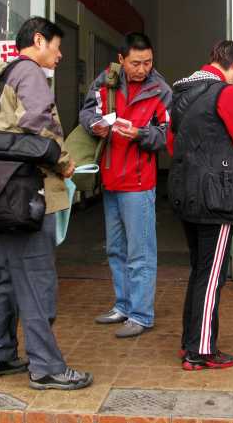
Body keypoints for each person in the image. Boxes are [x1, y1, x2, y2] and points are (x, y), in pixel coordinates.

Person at [0, 17, 93, 391]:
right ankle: (46, 367)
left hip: (3, 195)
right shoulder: (31, 73)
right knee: (37, 282)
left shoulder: (2, 75)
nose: (60, 54)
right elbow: (40, 128)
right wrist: (64, 163)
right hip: (29, 194)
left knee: (7, 277)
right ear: (39, 40)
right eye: (57, 46)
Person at [168, 40, 233, 371]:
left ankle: (190, 341)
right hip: (216, 198)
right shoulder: (226, 94)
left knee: (200, 269)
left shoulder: (181, 93)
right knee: (212, 276)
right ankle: (201, 350)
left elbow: (171, 143)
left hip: (184, 192)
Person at [79, 32, 171, 339]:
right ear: (121, 59)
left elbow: (168, 135)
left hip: (139, 182)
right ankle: (123, 305)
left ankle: (141, 314)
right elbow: (87, 112)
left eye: (148, 62)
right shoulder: (106, 81)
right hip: (110, 178)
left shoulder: (160, 91)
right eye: (135, 63)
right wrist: (95, 124)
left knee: (140, 253)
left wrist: (141, 134)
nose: (142, 69)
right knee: (116, 249)